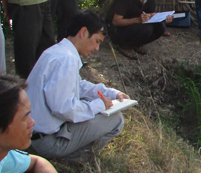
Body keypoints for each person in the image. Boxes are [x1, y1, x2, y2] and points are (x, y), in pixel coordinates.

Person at [26, 10, 128, 161]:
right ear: (83, 32)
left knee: (93, 108)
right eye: (97, 41)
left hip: (36, 134)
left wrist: (111, 93)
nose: (97, 48)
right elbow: (63, 108)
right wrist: (98, 105)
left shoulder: (57, 51)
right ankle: (74, 159)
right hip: (49, 141)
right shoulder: (66, 59)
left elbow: (78, 86)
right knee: (116, 120)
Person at [108, 0, 173, 54]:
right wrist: (137, 20)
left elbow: (152, 13)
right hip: (117, 30)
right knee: (146, 29)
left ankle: (136, 44)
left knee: (161, 27)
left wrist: (163, 18)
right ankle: (124, 46)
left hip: (134, 26)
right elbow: (115, 21)